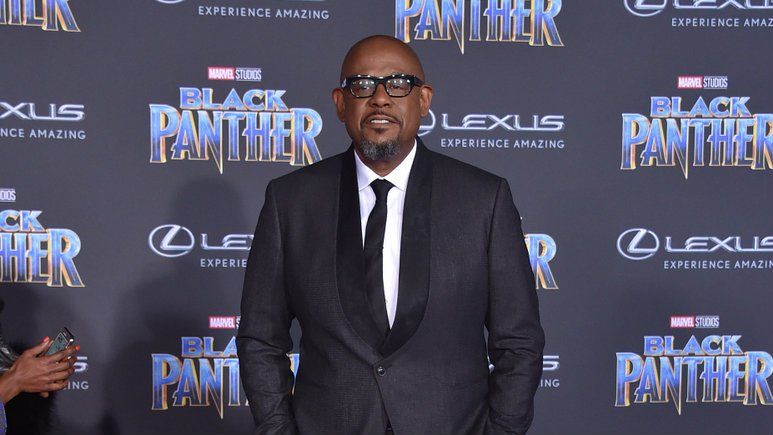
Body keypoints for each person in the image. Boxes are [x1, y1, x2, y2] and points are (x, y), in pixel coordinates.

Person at [237, 35, 544, 435]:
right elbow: (260, 338)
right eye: (362, 85)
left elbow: (518, 341)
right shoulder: (291, 201)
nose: (380, 98)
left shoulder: (483, 199)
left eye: (398, 84)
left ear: (424, 99)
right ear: (340, 103)